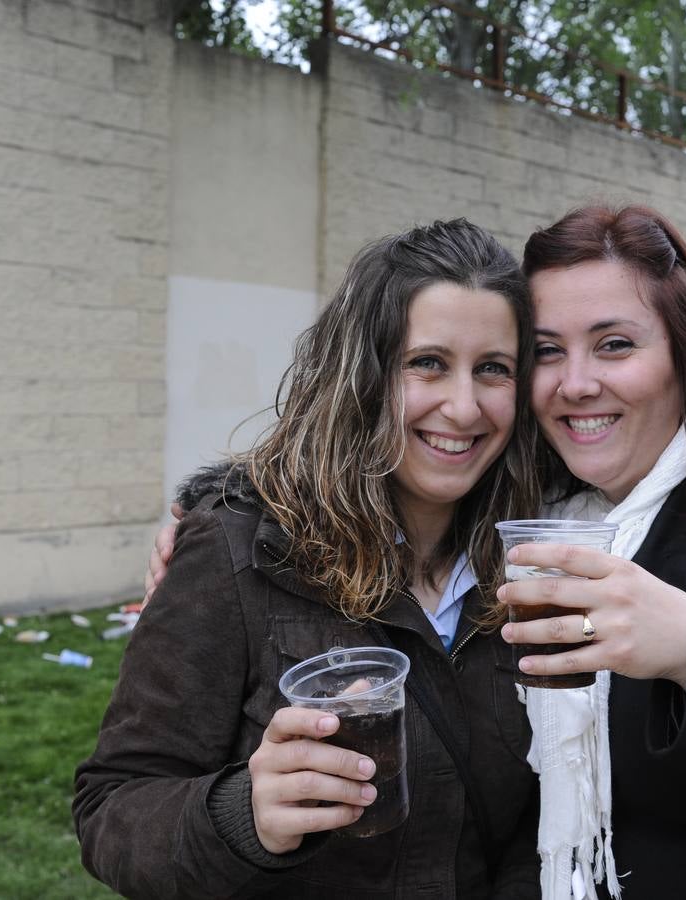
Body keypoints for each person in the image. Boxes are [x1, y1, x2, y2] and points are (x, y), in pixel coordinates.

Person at [150, 206, 686, 898]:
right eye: (547, 351)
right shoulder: (526, 517)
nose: (576, 382)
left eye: (615, 344)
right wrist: (221, 513)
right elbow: (383, 441)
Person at [74, 219, 544, 899]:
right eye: (428, 363)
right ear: (362, 373)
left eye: (493, 369)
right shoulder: (240, 551)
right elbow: (112, 809)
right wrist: (246, 814)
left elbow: (543, 811)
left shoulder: (530, 566)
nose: (464, 406)